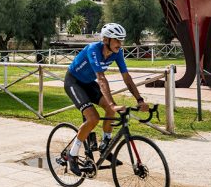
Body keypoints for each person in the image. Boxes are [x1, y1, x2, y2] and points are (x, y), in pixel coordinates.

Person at [63, 22, 149, 176]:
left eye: (121, 40)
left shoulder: (117, 53)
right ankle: (72, 154)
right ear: (106, 40)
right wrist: (111, 102)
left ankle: (105, 145)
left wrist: (139, 99)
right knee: (93, 118)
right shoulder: (93, 50)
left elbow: (127, 78)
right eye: (116, 40)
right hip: (74, 82)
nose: (120, 44)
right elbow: (101, 79)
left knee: (110, 109)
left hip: (88, 84)